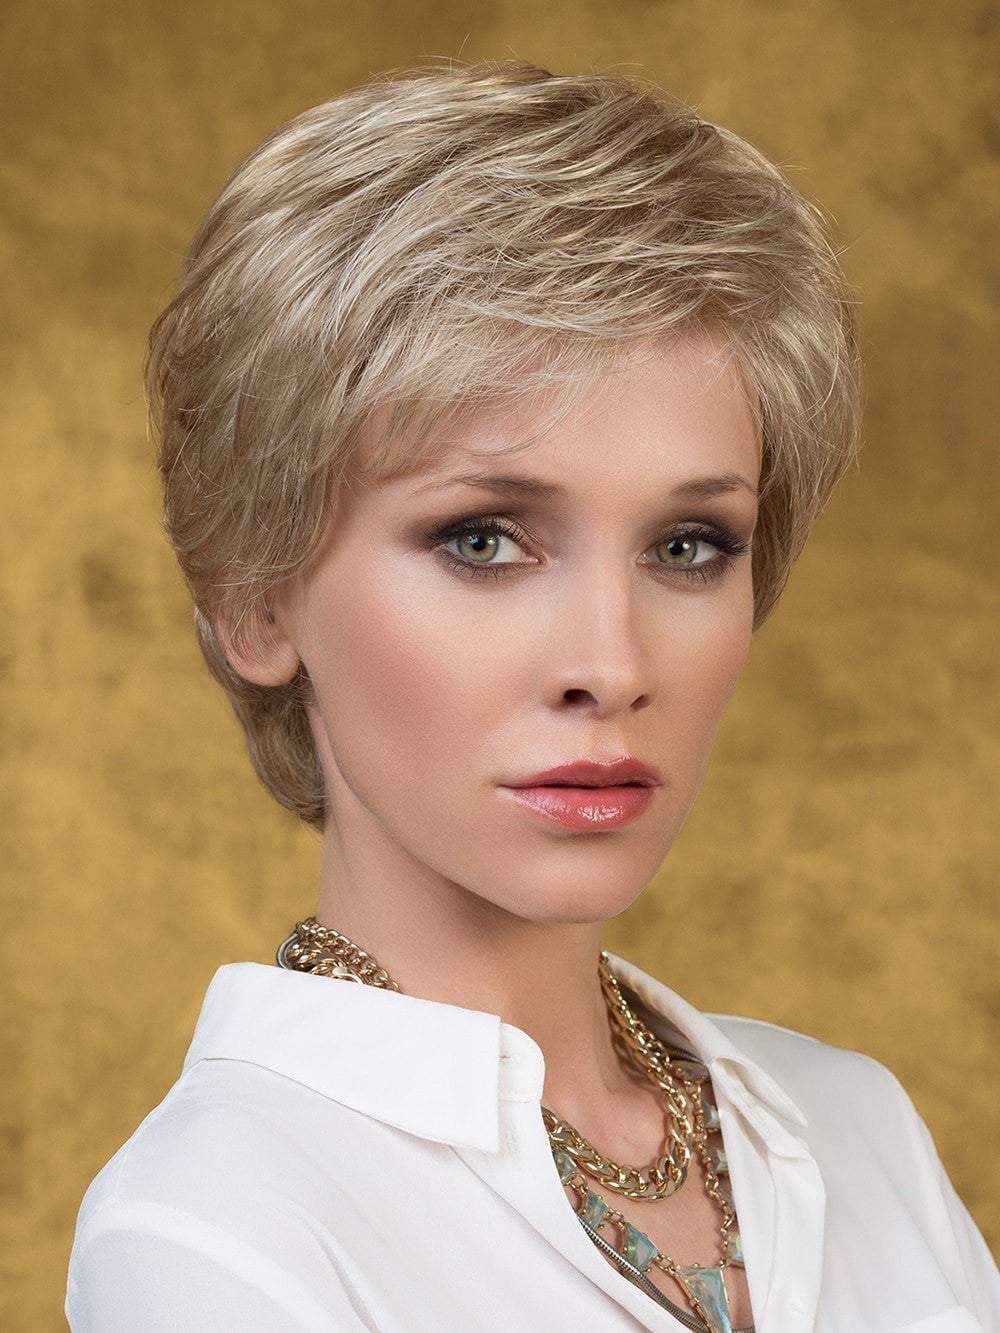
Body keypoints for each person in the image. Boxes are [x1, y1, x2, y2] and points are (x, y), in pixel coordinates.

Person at [66, 61, 998, 1332]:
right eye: (484, 540)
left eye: (686, 546)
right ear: (256, 599)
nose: (611, 665)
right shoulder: (220, 1223)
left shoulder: (858, 1127)